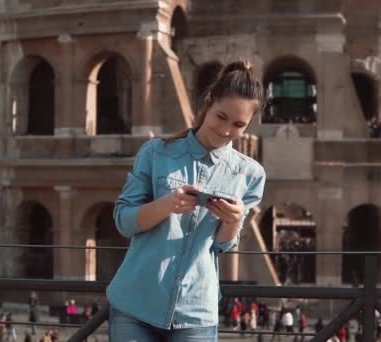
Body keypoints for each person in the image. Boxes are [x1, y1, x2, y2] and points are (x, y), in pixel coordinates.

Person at [107, 60, 267, 341]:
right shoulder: (156, 153)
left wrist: (234, 219)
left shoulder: (250, 174)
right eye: (221, 117)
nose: (226, 130)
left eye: (239, 124)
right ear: (208, 103)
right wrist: (166, 205)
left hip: (195, 312)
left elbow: (222, 245)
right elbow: (124, 221)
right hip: (135, 302)